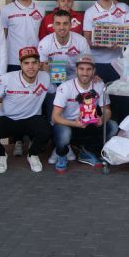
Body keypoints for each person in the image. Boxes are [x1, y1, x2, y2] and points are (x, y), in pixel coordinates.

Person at [0, 47, 52, 174]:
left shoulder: (46, 77)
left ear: (39, 64)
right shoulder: (6, 78)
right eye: (26, 63)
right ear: (20, 65)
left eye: (34, 62)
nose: (30, 67)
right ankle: (0, 155)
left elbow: (63, 84)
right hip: (8, 118)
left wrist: (94, 77)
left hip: (31, 118)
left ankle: (33, 155)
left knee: (47, 130)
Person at [38, 10, 91, 163]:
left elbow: (87, 64)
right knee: (54, 116)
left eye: (65, 23)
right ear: (52, 25)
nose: (62, 27)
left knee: (78, 114)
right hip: (54, 82)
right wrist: (47, 67)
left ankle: (73, 145)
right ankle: (59, 147)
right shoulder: (45, 43)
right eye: (58, 24)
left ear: (71, 25)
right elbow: (41, 67)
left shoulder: (80, 41)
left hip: (76, 82)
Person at [0, 0, 45, 156]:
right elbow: (2, 39)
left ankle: (33, 137)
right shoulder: (6, 10)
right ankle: (17, 140)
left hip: (34, 63)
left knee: (33, 100)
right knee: (15, 102)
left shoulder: (40, 10)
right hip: (13, 62)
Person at [52, 53, 118, 172]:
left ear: (94, 71)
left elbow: (107, 110)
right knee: (64, 134)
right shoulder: (65, 87)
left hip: (89, 124)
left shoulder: (99, 85)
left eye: (89, 69)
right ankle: (61, 154)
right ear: (76, 70)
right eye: (81, 69)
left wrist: (101, 119)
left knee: (112, 126)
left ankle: (86, 151)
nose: (85, 73)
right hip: (69, 124)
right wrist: (75, 124)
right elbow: (55, 117)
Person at [82, 0, 129, 83]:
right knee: (99, 96)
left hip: (119, 62)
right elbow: (87, 41)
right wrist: (104, 44)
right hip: (97, 63)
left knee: (118, 96)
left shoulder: (124, 8)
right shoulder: (90, 12)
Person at [0, 0, 44, 72]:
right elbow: (2, 37)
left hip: (34, 59)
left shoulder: (41, 10)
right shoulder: (6, 10)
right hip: (13, 60)